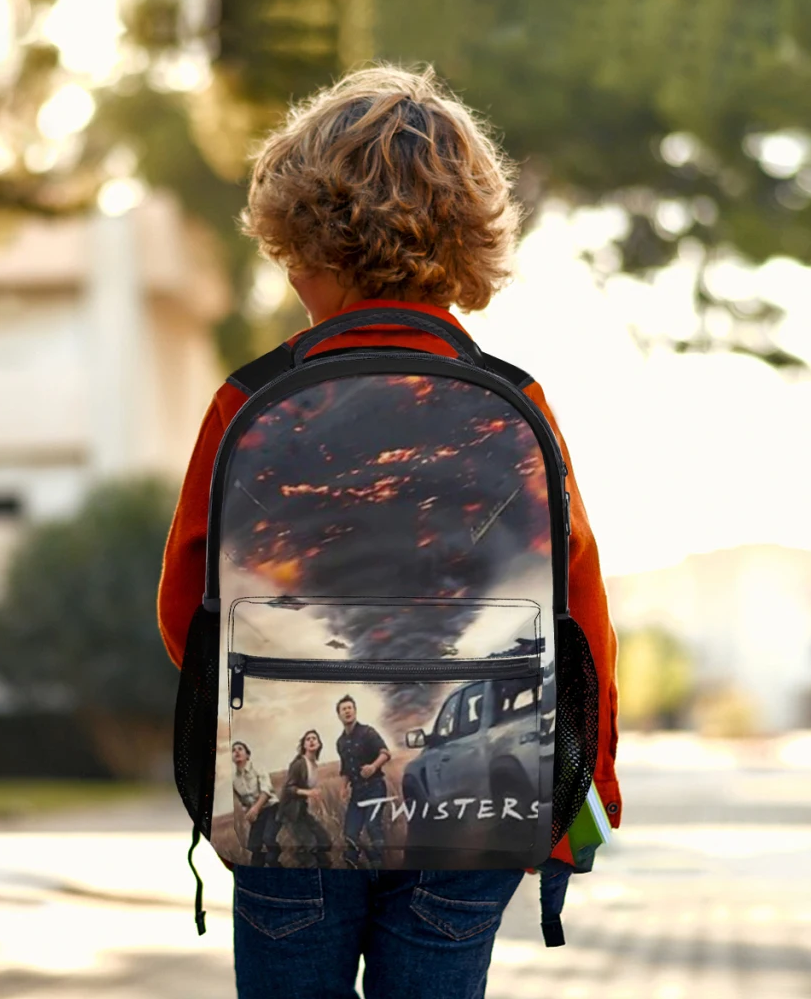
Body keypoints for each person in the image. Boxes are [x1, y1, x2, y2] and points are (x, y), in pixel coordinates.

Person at [158, 63, 621, 999]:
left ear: (305, 244)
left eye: (290, 253)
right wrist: (585, 788)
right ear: (467, 243)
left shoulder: (247, 401)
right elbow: (579, 613)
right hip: (474, 819)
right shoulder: (517, 403)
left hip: (289, 822)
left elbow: (184, 610)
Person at [335, 695, 391, 869]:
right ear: (339, 715)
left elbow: (386, 753)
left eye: (350, 707)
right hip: (357, 792)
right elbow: (345, 769)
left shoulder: (368, 732)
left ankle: (379, 866)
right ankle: (354, 866)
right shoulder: (341, 742)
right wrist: (343, 788)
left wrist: (373, 767)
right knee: (350, 834)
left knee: (372, 826)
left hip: (375, 787)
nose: (347, 711)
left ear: (355, 711)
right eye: (343, 709)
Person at [278, 730, 332, 868]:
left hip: (301, 810)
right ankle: (304, 860)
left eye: (315, 738)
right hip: (290, 812)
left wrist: (312, 795)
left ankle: (323, 864)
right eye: (308, 739)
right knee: (311, 844)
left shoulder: (314, 765)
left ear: (319, 744)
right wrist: (308, 792)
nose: (312, 741)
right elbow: (289, 789)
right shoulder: (299, 763)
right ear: (304, 745)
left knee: (325, 842)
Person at [231, 741, 282, 868]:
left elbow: (266, 791)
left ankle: (276, 862)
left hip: (272, 808)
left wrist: (255, 808)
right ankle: (259, 874)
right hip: (257, 814)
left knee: (268, 838)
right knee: (254, 847)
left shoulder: (258, 767)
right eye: (233, 750)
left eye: (240, 749)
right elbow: (243, 802)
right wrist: (249, 815)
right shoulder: (234, 780)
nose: (236, 751)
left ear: (247, 755)